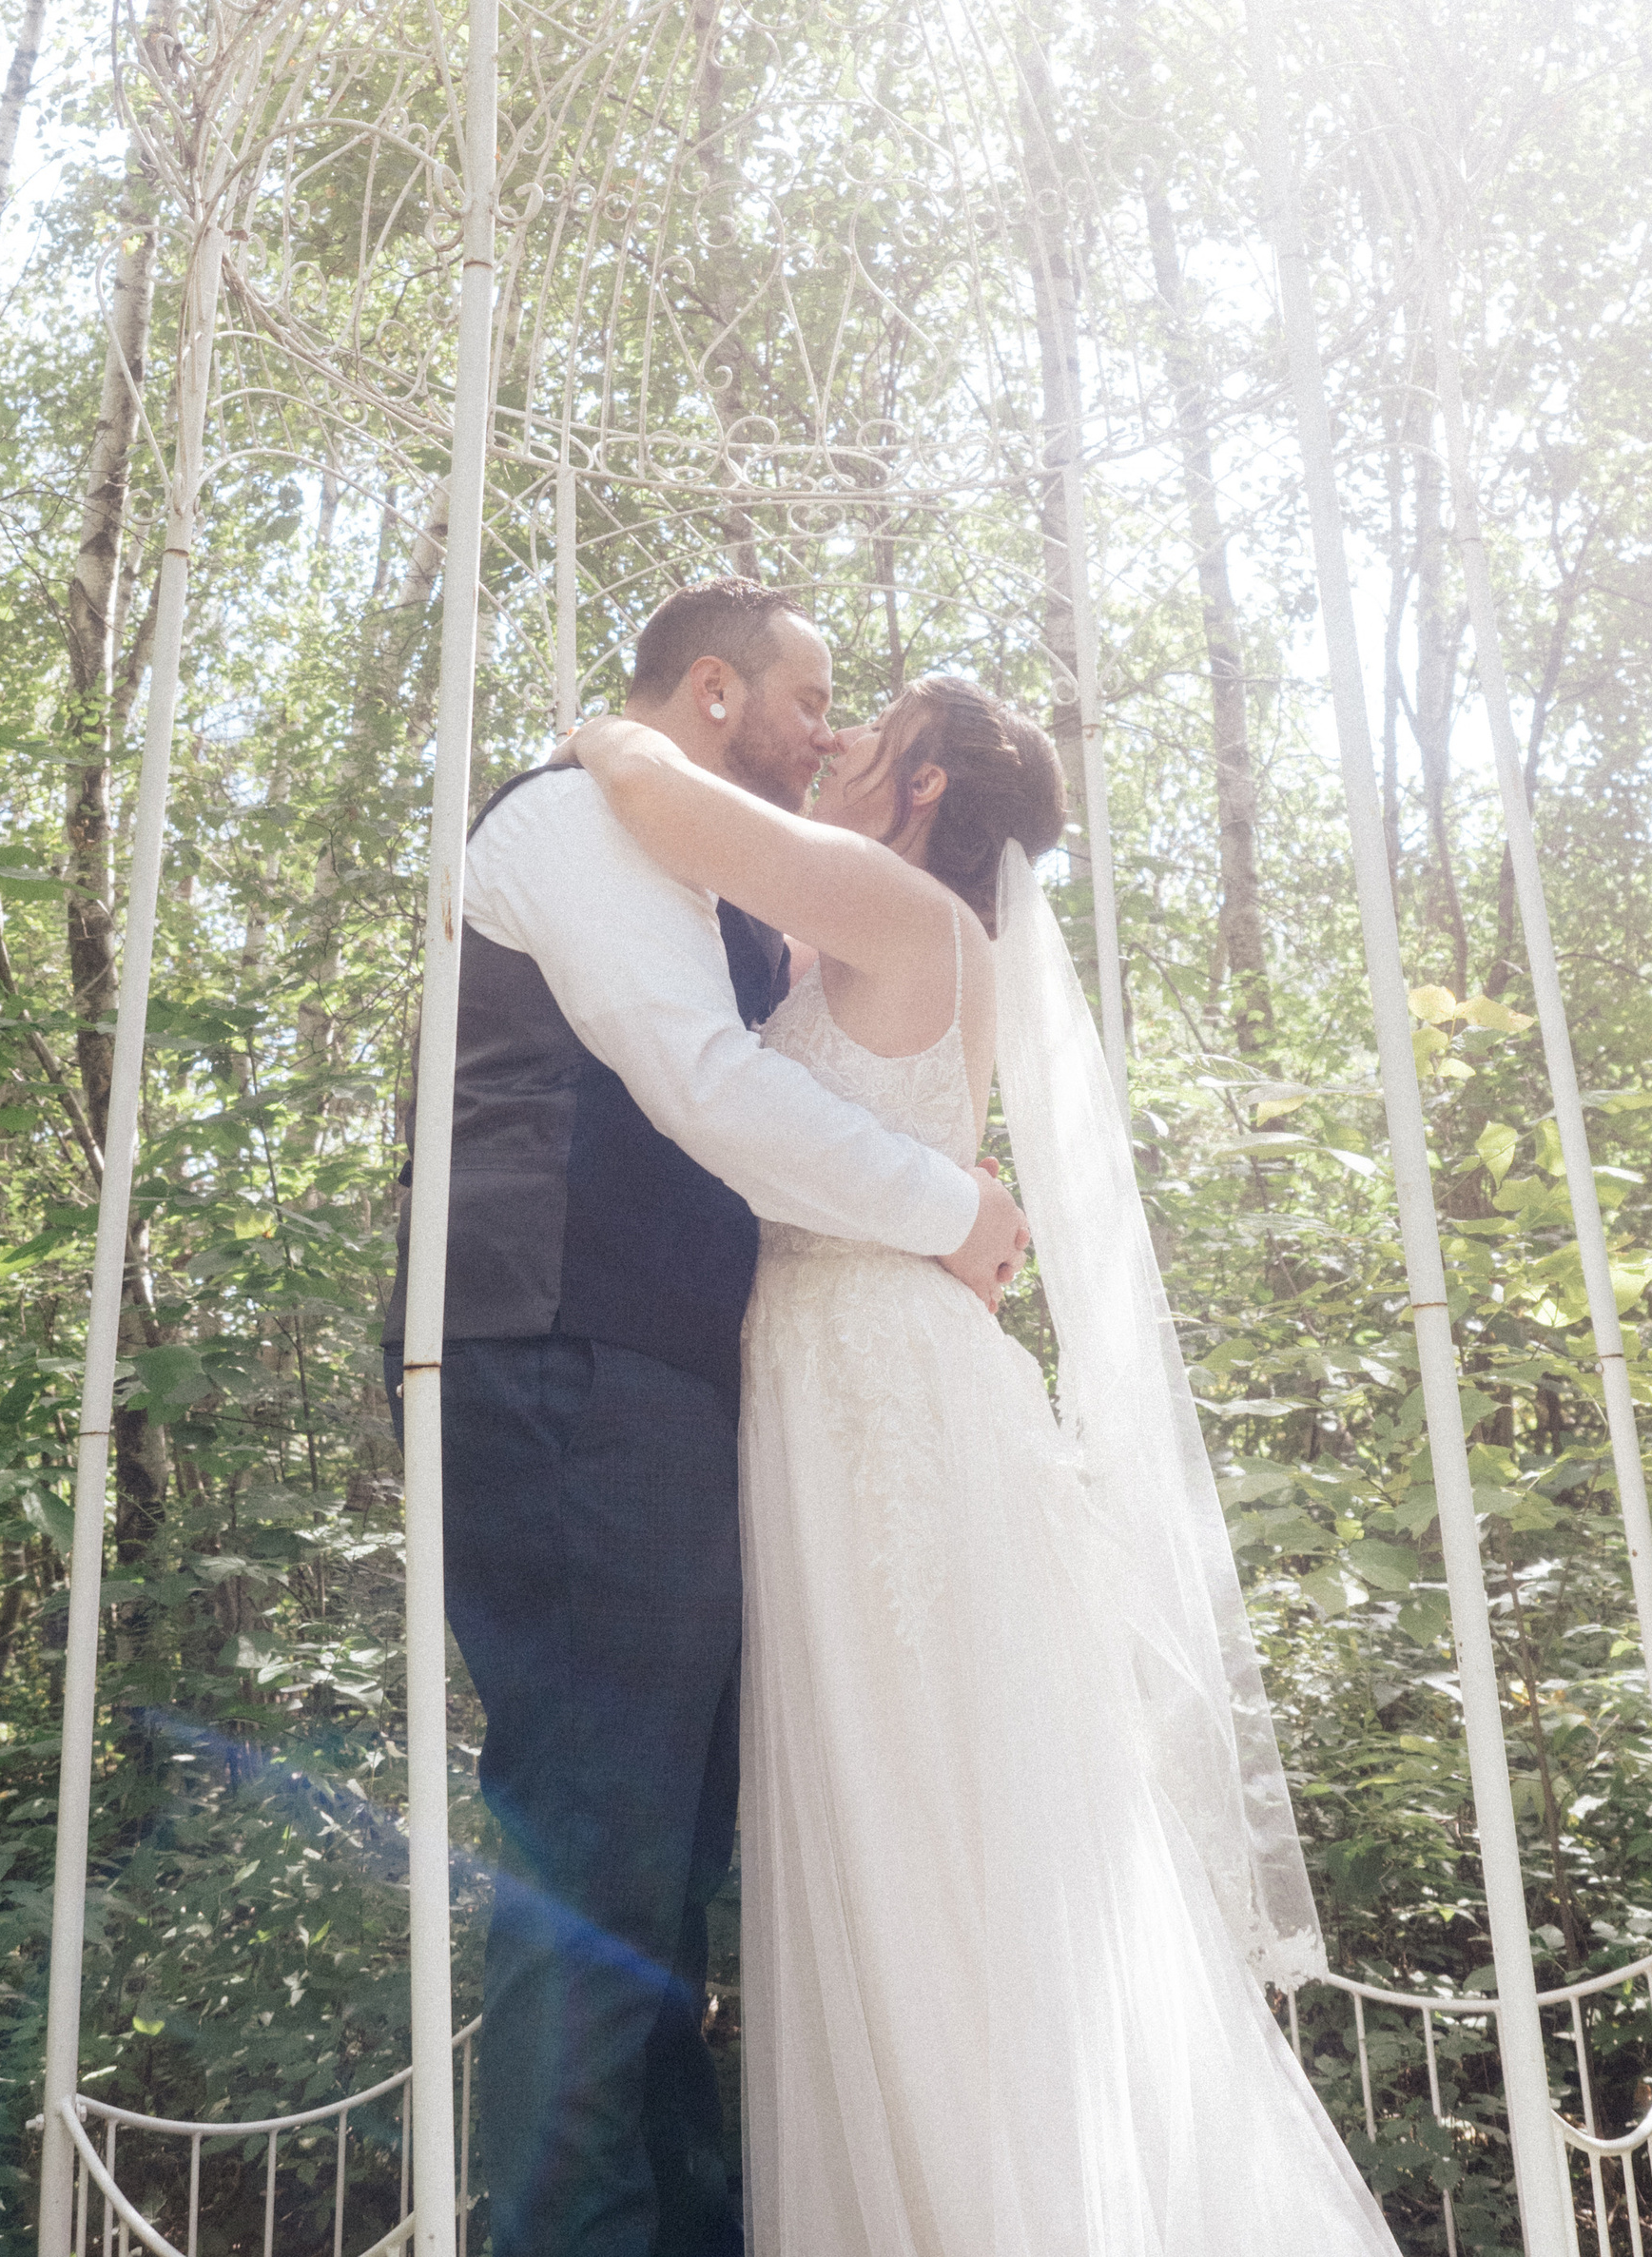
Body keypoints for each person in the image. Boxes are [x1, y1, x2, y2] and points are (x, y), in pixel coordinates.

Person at [571, 672, 1402, 2256]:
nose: (835, 740)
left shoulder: (891, 900)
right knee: (912, 1835)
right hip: (850, 1376)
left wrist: (614, 729)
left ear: (932, 782)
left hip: (876, 1391)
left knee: (929, 1846)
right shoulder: (904, 934)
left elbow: (666, 805)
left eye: (867, 723)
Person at [381, 581, 1031, 2257]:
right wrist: (946, 1208)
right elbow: (698, 1081)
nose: (832, 726)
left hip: (662, 1381)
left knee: (660, 1865)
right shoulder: (570, 822)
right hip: (554, 1349)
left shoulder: (721, 871)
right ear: (720, 691)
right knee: (597, 1845)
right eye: (815, 697)